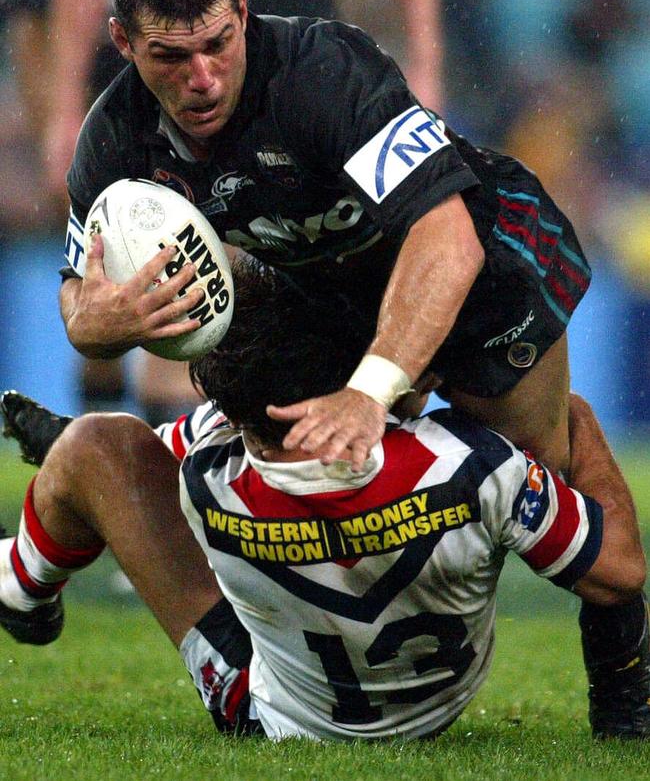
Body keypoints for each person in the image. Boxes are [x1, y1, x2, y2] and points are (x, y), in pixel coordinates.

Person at [0, 260, 648, 739]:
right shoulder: (470, 464)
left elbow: (142, 455)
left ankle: (21, 582)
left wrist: (74, 454)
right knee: (564, 425)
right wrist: (578, 425)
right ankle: (625, 702)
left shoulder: (214, 464)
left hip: (270, 713)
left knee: (92, 445)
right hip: (436, 705)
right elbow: (620, 572)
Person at [62, 0, 583, 477]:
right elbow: (75, 298)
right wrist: (101, 322)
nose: (203, 79)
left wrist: (371, 391)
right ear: (123, 41)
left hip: (486, 267)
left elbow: (449, 239)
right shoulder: (115, 138)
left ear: (242, 11)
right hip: (338, 301)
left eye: (217, 44)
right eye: (169, 55)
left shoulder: (326, 75)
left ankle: (581, 446)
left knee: (538, 478)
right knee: (315, 479)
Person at [45, 0, 444, 425]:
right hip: (169, 91)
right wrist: (65, 106)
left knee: (307, 306)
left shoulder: (322, 71)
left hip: (302, 83)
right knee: (175, 286)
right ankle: (138, 461)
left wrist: (426, 60)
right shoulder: (129, 109)